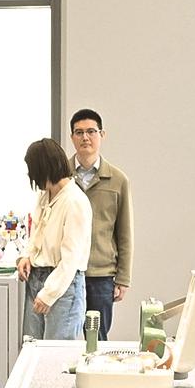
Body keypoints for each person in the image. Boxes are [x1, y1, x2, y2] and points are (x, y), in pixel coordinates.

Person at [68, 108, 133, 336]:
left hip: (101, 276)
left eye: (91, 131)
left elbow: (124, 233)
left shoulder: (118, 180)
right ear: (72, 137)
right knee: (64, 340)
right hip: (66, 272)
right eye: (79, 132)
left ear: (102, 135)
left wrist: (123, 278)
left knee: (97, 339)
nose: (85, 137)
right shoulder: (61, 177)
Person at [19, 136, 92, 341]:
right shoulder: (45, 195)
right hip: (37, 278)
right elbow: (37, 233)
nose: (31, 175)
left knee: (57, 353)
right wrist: (27, 256)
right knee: (31, 348)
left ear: (43, 168)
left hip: (64, 285)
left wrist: (49, 293)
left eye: (32, 169)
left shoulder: (75, 201)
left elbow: (71, 259)